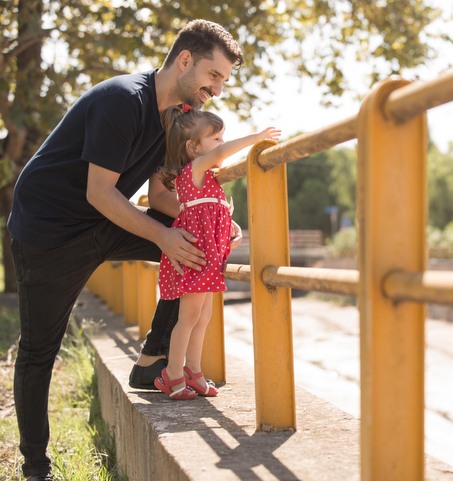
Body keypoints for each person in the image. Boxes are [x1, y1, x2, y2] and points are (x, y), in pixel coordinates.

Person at [7, 19, 244, 481]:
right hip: (49, 232)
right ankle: (36, 467)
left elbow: (159, 198)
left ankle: (152, 362)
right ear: (184, 60)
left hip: (104, 220)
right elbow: (100, 191)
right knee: (39, 351)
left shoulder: (175, 118)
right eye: (214, 76)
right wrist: (163, 236)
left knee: (197, 246)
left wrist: (211, 218)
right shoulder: (123, 99)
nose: (217, 88)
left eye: (224, 81)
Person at [153, 105, 280, 399]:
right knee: (188, 318)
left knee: (203, 317)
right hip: (197, 259)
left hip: (208, 259)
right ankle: (172, 375)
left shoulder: (209, 180)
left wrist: (230, 231)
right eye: (217, 139)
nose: (221, 145)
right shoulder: (194, 170)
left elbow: (212, 217)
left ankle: (193, 371)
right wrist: (257, 137)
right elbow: (219, 157)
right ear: (194, 147)